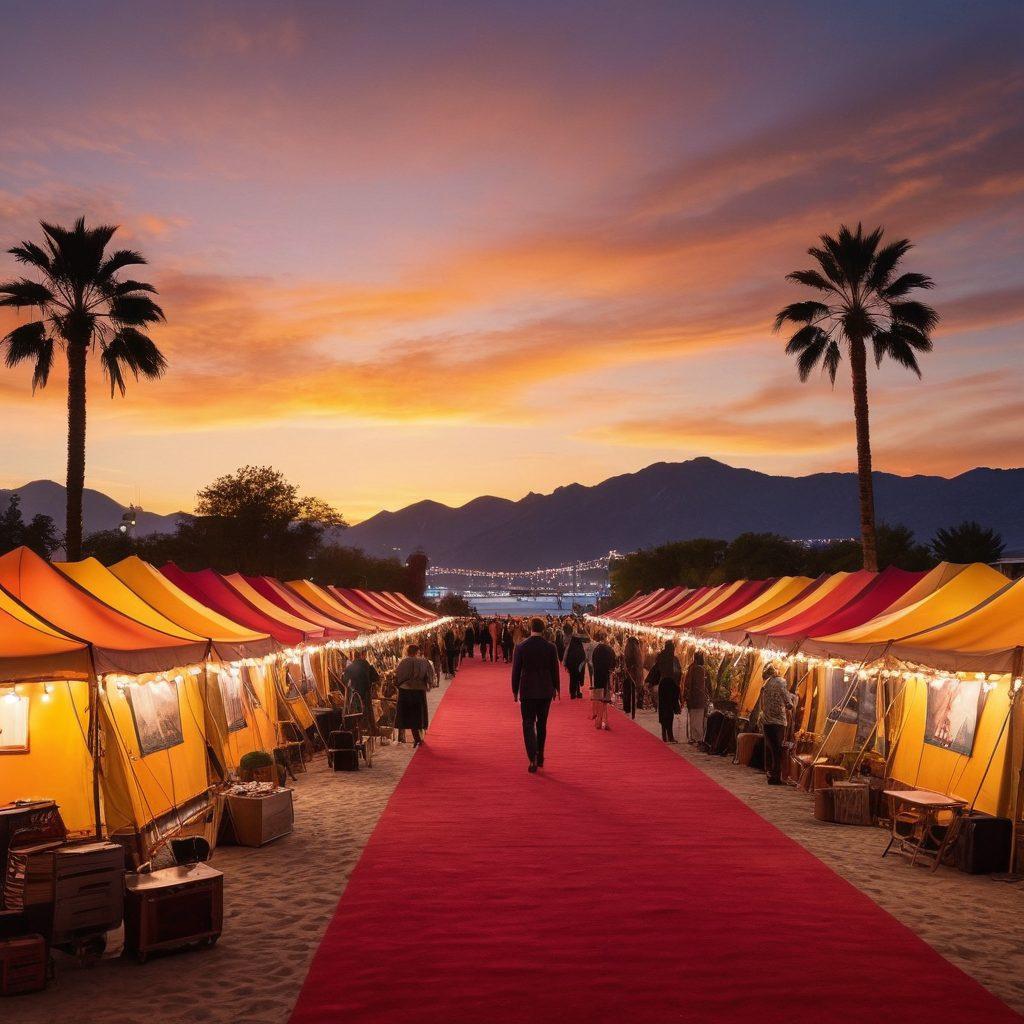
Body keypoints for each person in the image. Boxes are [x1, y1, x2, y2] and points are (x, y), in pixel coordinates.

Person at [511, 616, 561, 773]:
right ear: (543, 629)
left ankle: (532, 756)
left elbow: (516, 671)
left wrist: (514, 690)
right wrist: (556, 688)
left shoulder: (521, 647)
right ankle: (541, 755)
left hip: (527, 690)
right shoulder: (551, 647)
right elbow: (555, 669)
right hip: (545, 690)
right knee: (542, 724)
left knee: (527, 723)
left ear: (531, 628)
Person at [395, 643, 435, 747]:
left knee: (409, 715)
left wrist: (399, 684)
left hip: (406, 690)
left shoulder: (403, 662)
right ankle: (418, 737)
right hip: (419, 690)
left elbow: (398, 676)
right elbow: (430, 676)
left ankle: (417, 738)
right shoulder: (424, 662)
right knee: (418, 714)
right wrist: (428, 685)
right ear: (417, 652)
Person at [760, 663, 792, 785]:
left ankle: (770, 772)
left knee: (771, 748)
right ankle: (776, 776)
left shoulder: (766, 683)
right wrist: (790, 704)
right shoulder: (781, 682)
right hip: (778, 721)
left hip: (767, 720)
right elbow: (787, 699)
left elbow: (763, 702)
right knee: (778, 750)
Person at [648, 640, 681, 742]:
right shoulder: (674, 659)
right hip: (671, 686)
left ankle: (664, 733)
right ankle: (669, 735)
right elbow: (678, 673)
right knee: (669, 711)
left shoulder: (661, 657)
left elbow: (655, 671)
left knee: (663, 710)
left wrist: (650, 682)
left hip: (663, 686)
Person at [342, 651, 379, 730]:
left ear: (354, 657)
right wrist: (370, 681)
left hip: (356, 692)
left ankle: (360, 729)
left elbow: (344, 680)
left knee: (357, 711)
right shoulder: (366, 664)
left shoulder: (350, 667)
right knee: (368, 710)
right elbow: (376, 677)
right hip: (367, 691)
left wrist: (350, 684)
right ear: (361, 656)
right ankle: (371, 728)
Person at [681, 650, 709, 745]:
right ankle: (698, 738)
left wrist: (685, 697)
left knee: (694, 719)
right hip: (699, 699)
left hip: (693, 699)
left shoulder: (692, 669)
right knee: (698, 720)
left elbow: (687, 684)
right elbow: (705, 686)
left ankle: (694, 737)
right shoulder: (701, 670)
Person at [591, 631, 616, 731]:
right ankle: (605, 721)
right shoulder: (610, 650)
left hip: (597, 677)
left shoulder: (596, 649)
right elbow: (613, 665)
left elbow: (593, 662)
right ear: (606, 638)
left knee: (598, 699)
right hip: (606, 677)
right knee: (605, 701)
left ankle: (598, 721)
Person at [621, 635, 643, 718]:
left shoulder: (628, 649)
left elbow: (626, 660)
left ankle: (627, 708)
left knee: (627, 691)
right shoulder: (638, 650)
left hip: (628, 673)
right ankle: (633, 709)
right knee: (633, 692)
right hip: (635, 674)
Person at [563, 632, 587, 700]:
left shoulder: (570, 646)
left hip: (572, 666)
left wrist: (565, 664)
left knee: (572, 678)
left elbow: (566, 655)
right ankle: (578, 692)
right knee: (578, 679)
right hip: (579, 667)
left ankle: (572, 693)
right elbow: (584, 657)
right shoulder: (581, 647)